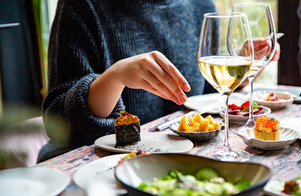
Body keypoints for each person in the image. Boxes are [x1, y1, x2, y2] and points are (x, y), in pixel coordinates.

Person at [39, 0, 279, 162]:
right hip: (98, 167)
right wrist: (116, 77)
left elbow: (204, 96)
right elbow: (57, 124)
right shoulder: (82, 5)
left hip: (180, 161)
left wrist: (242, 71)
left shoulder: (200, 5)